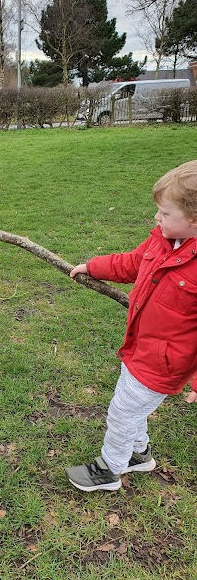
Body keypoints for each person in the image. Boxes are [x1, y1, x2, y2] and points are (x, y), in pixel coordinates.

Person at [65, 161, 197, 492]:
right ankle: (139, 454)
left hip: (163, 364)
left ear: (193, 220)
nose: (157, 218)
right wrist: (93, 267)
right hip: (140, 347)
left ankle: (110, 470)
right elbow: (132, 264)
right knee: (132, 407)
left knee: (122, 412)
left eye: (165, 214)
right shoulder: (162, 241)